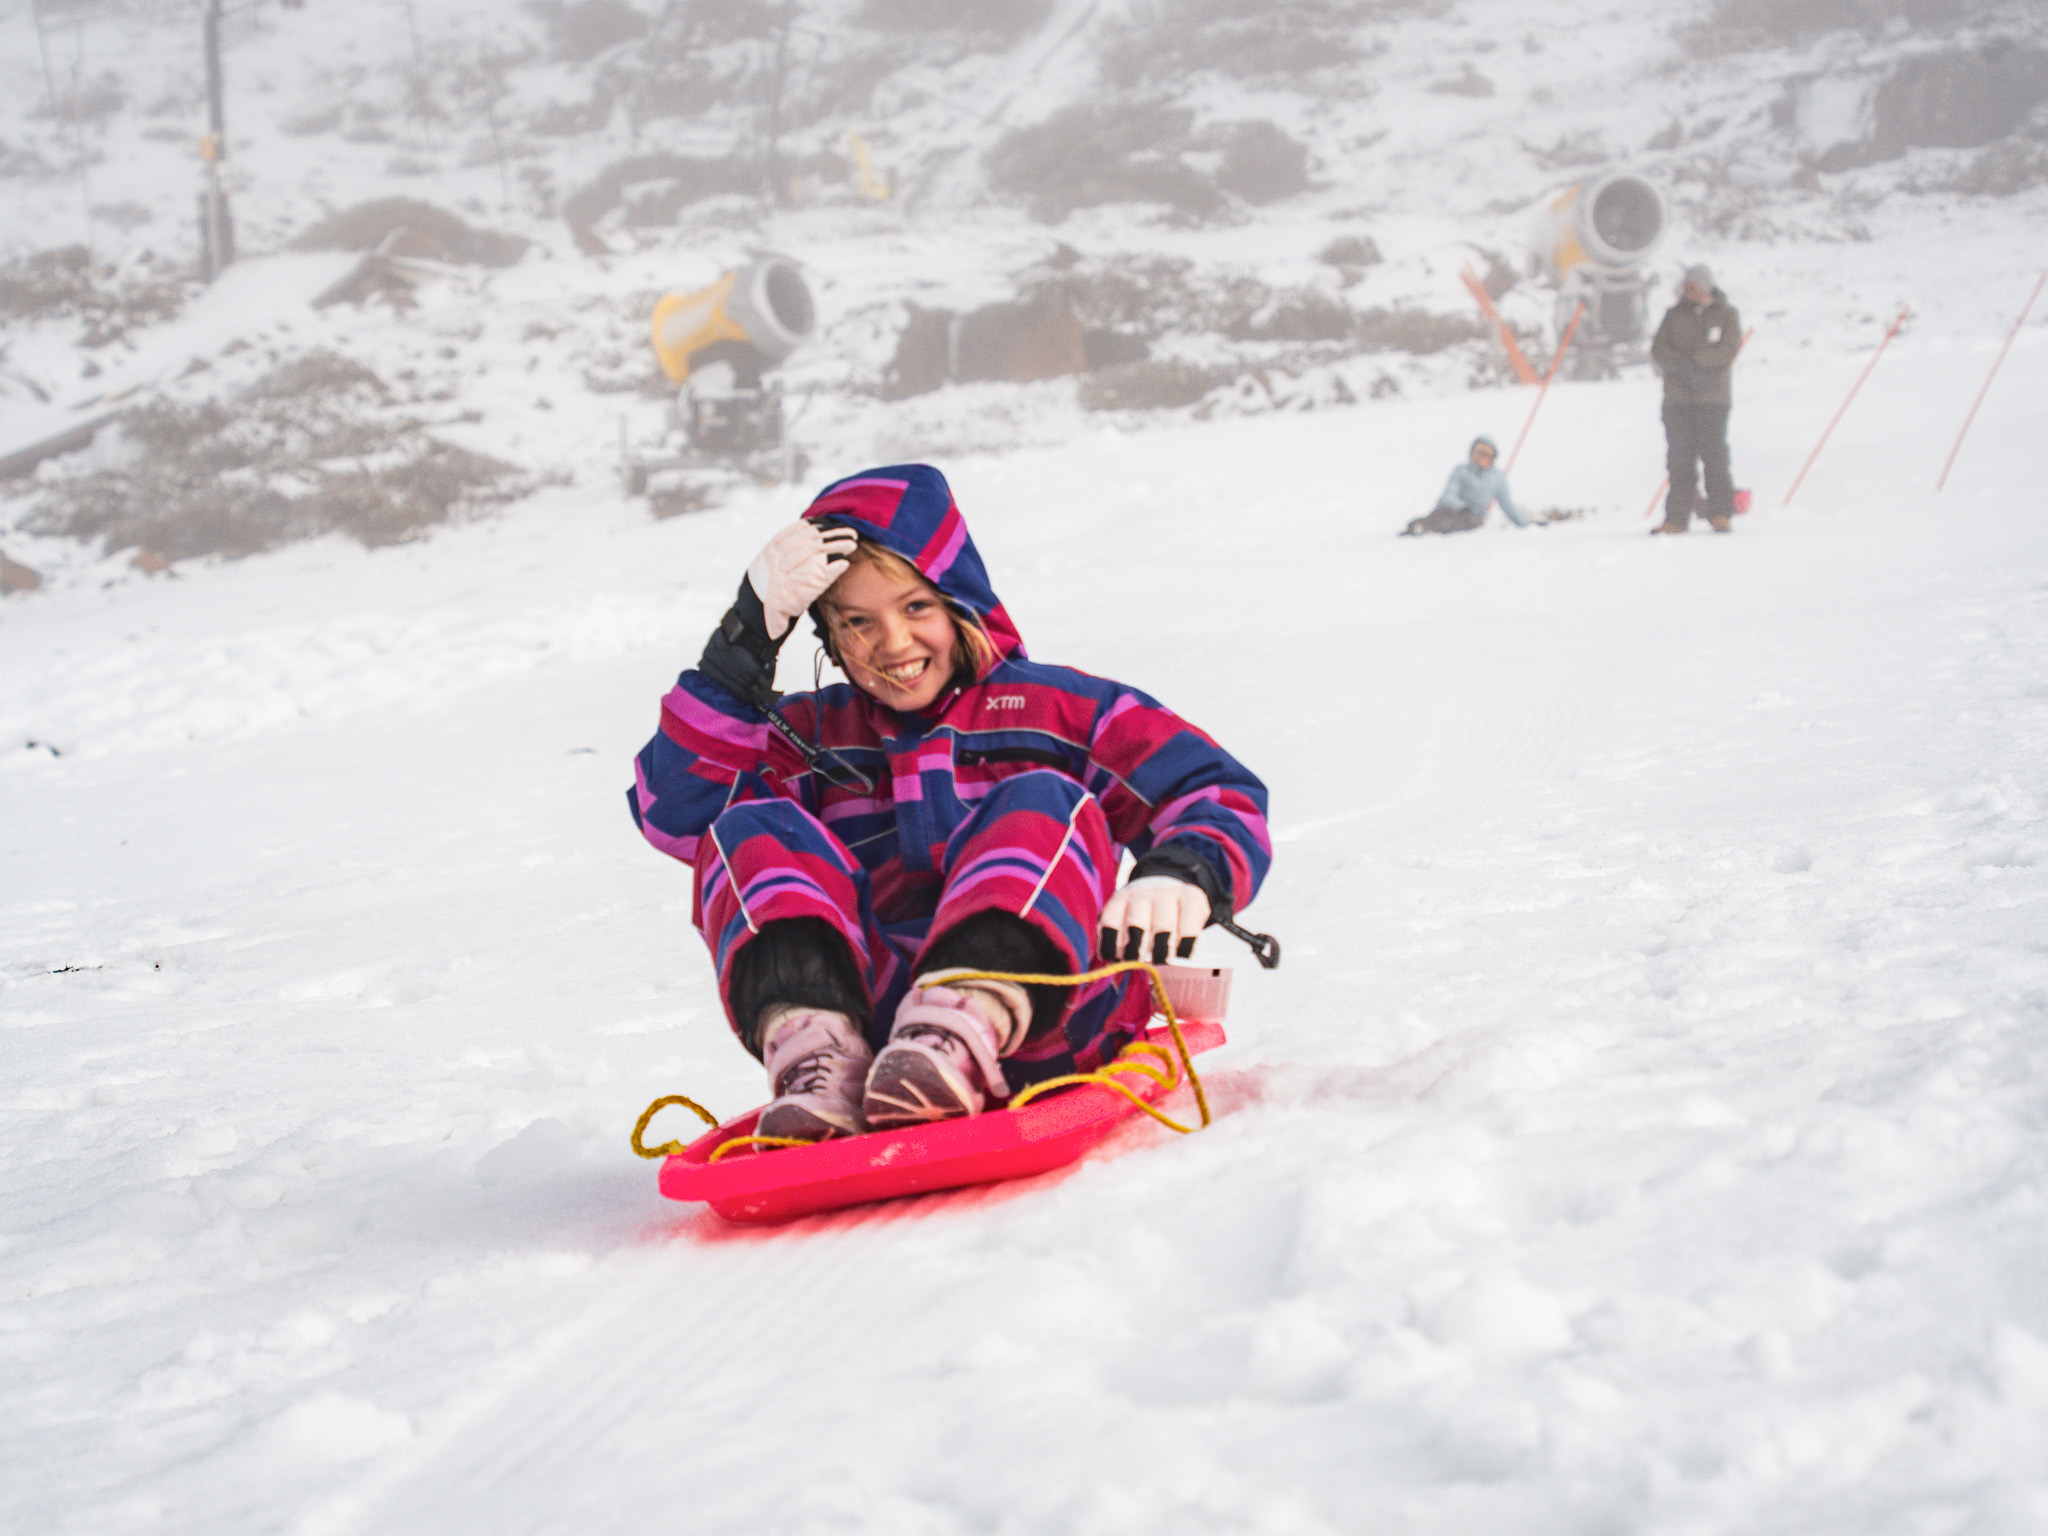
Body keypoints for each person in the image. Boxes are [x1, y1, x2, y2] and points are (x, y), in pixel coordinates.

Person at [628, 464, 1270, 1142]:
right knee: (749, 826)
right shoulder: (813, 736)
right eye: (857, 622)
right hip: (878, 1048)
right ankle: (822, 1057)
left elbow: (1212, 790)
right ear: (828, 635)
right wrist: (740, 650)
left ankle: (966, 1017)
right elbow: (682, 812)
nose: (893, 644)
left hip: (1055, 1017)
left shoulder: (1060, 709)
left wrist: (1185, 871)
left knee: (1041, 800)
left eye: (915, 608)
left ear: (961, 602)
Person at [1651, 263, 1742, 534]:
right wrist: (1680, 367)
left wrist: (1697, 364)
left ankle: (1720, 513)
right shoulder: (1673, 315)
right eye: (1686, 288)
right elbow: (1658, 349)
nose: (1688, 292)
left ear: (1706, 288)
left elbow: (1727, 349)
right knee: (1679, 461)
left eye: (1694, 288)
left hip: (1712, 400)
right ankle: (1676, 519)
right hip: (1677, 402)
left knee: (1715, 458)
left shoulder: (1727, 315)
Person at [1400, 435, 1528, 536]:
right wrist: (1461, 507)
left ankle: (1424, 529)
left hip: (1473, 518)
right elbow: (1448, 494)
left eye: (1487, 455)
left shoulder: (1498, 478)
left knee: (1450, 524)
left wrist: (1524, 524)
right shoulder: (1461, 471)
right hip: (1450, 510)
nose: (1483, 458)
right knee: (1438, 517)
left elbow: (1508, 506)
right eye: (1479, 453)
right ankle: (1417, 527)